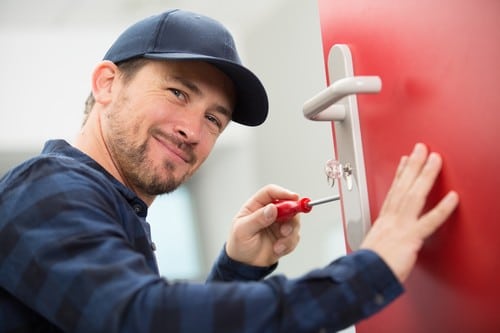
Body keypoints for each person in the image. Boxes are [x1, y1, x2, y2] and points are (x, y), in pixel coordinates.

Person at [0, 9, 459, 333]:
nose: (192, 131)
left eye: (214, 119)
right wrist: (366, 273)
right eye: (178, 93)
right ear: (106, 83)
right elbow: (141, 320)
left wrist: (237, 268)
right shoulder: (46, 188)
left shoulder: (112, 210)